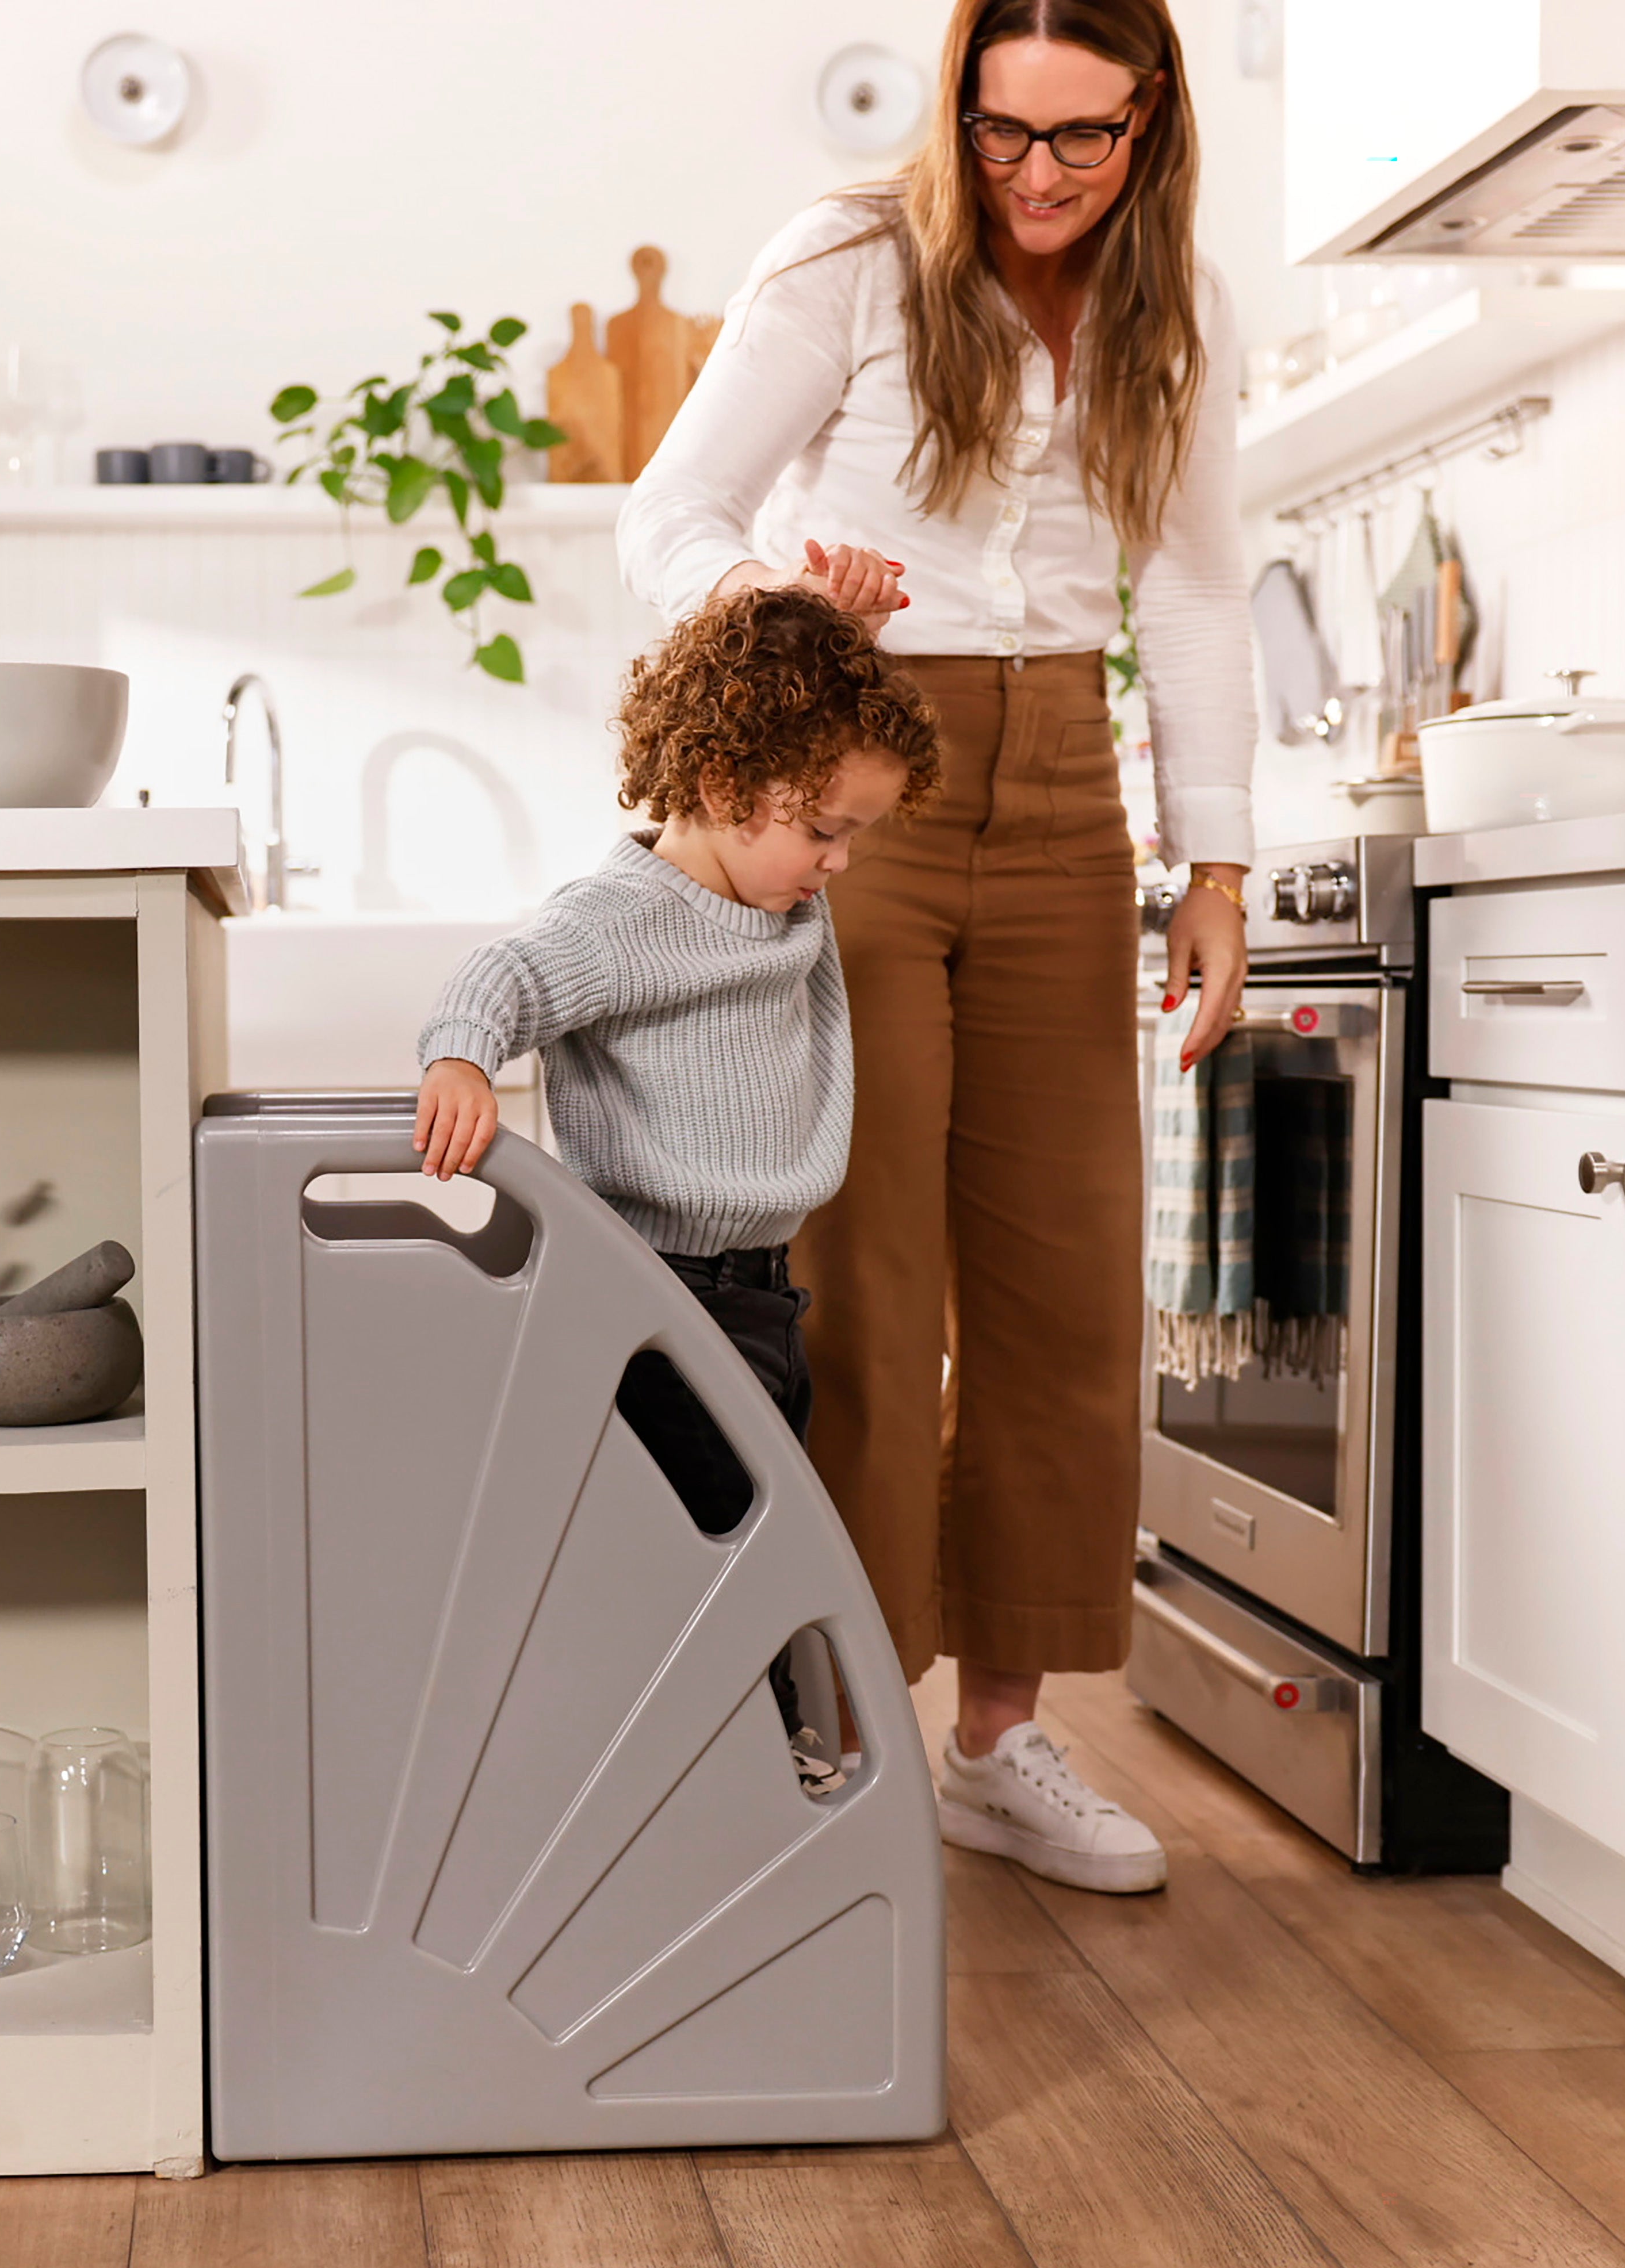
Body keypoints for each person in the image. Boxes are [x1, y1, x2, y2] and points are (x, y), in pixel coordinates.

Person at [615, 0, 1256, 1892]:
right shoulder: (849, 260)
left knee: (1065, 1282)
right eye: (1002, 132)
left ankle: (998, 1743)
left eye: (1082, 138)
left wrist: (1218, 864)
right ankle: (835, 1739)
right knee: (866, 1282)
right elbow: (673, 515)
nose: (1037, 176)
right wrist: (785, 592)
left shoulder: (1179, 308)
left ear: (1150, 121)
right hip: (861, 781)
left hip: (1069, 786)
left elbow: (1194, 582)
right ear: (957, 106)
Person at [413, 588, 942, 1789]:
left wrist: (838, 643)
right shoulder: (619, 921)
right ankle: (742, 1774)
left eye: (852, 835)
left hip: (762, 1300)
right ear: (719, 782)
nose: (840, 862)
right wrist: (460, 1057)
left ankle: (750, 1768)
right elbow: (499, 976)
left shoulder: (780, 893)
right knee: (710, 1549)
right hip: (658, 1299)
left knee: (756, 1543)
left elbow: (799, 731)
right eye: (826, 830)